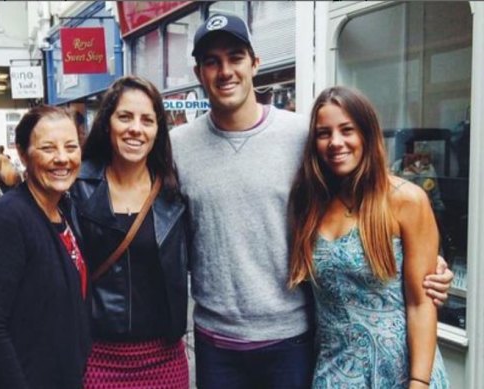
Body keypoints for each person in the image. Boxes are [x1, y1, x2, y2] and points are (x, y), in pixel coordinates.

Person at [169, 13, 453, 388]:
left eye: (236, 57)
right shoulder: (176, 148)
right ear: (198, 72)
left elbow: (361, 197)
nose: (225, 71)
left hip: (294, 340)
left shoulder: (302, 134)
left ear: (255, 63)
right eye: (212, 61)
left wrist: (427, 266)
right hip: (218, 343)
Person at [288, 86, 449, 388]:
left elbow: (421, 303)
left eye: (346, 130)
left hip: (403, 373)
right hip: (334, 372)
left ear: (367, 133)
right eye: (324, 133)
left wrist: (418, 381)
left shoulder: (406, 200)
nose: (336, 142)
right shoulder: (310, 204)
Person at [0, 106, 91, 389]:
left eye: (71, 147)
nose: (62, 158)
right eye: (48, 148)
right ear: (23, 153)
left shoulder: (65, 209)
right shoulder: (6, 219)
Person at [71, 75, 189, 387]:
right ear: (107, 123)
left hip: (163, 358)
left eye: (147, 120)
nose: (135, 128)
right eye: (125, 116)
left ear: (157, 131)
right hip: (96, 356)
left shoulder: (174, 193)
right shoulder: (75, 187)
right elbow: (32, 226)